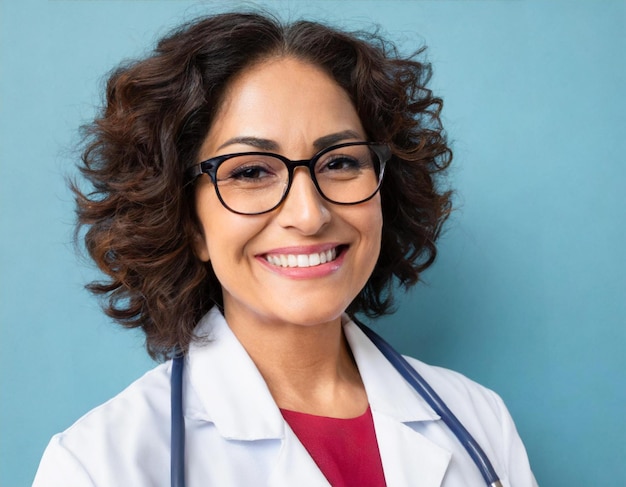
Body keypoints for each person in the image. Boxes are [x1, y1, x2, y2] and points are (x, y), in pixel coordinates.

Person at [33, 11, 537, 487]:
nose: (310, 214)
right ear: (188, 221)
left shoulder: (478, 421)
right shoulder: (99, 464)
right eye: (250, 171)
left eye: (340, 162)